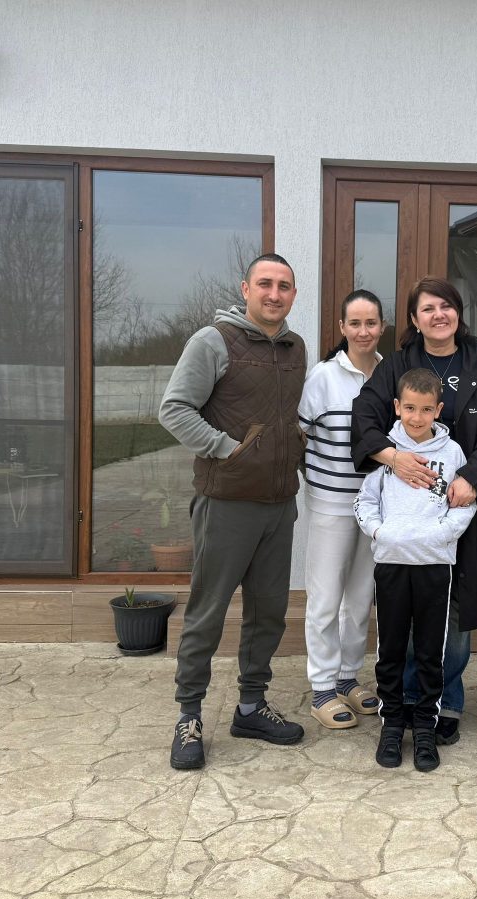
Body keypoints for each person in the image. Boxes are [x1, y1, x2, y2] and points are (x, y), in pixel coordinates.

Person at [159, 253, 307, 770]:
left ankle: (250, 707)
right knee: (208, 612)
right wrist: (228, 450)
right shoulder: (213, 341)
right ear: (246, 289)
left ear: (293, 294)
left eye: (284, 286)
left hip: (278, 504)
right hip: (226, 503)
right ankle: (189, 716)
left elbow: (284, 418)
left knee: (268, 612)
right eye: (265, 283)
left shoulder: (295, 348)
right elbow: (174, 408)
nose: (274, 294)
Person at [351, 277, 477, 745]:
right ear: (414, 319)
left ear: (459, 312)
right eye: (427, 308)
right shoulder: (397, 365)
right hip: (405, 520)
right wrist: (392, 457)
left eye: (446, 306)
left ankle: (447, 699)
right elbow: (364, 416)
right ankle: (405, 702)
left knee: (455, 611)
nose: (438, 315)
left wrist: (471, 478)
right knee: (405, 615)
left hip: (459, 509)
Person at [354, 368, 476, 771]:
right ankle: (392, 725)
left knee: (429, 651)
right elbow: (365, 502)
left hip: (433, 565)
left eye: (426, 409)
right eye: (409, 408)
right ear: (397, 407)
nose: (417, 417)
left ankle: (425, 726)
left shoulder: (452, 453)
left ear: (438, 409)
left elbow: (465, 505)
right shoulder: (385, 451)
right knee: (390, 650)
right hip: (391, 563)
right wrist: (379, 532)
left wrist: (441, 536)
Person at [298, 290, 386, 730]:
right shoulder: (323, 377)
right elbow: (299, 436)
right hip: (331, 504)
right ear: (342, 328)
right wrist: (315, 483)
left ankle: (348, 677)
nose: (363, 331)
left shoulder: (390, 374)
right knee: (326, 597)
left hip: (375, 505)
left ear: (382, 327)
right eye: (355, 323)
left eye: (371, 323)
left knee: (360, 597)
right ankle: (322, 687)